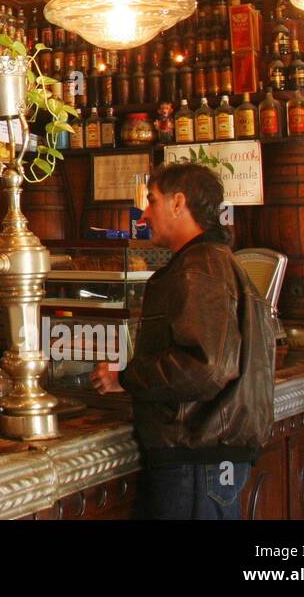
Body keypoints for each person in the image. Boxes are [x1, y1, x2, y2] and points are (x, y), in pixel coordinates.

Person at [90, 162, 274, 519]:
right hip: (206, 456)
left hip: (195, 456)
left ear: (178, 203)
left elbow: (205, 368)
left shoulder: (200, 268)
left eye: (152, 201)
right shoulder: (213, 261)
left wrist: (124, 377)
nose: (144, 214)